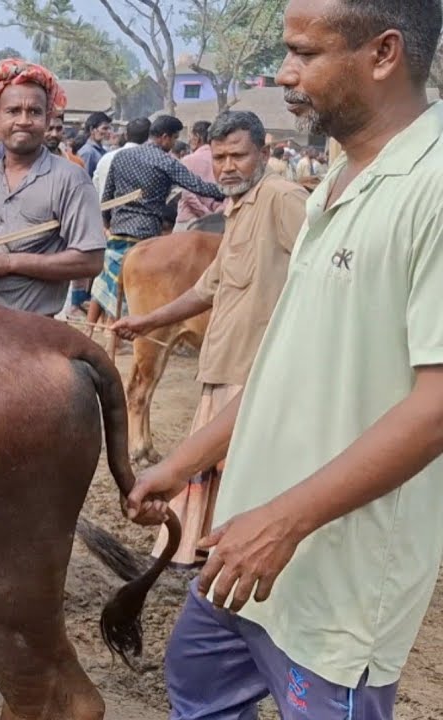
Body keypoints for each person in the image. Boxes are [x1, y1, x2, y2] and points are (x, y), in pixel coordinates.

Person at [125, 0, 443, 715]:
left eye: (304, 52)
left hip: (336, 583)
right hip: (243, 551)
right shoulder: (333, 184)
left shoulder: (433, 187)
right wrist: (181, 464)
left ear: (383, 53)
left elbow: (436, 408)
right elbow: (282, 368)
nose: (285, 72)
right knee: (195, 686)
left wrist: (284, 523)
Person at [112, 110, 308, 566]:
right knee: (210, 470)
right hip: (222, 362)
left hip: (256, 370)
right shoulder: (236, 207)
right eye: (219, 157)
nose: (226, 167)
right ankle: (198, 553)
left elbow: (316, 270)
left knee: (241, 474)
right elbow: (207, 288)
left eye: (238, 155)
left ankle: (233, 555)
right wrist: (147, 321)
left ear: (263, 152)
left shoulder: (282, 197)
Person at [0, 59, 105, 317]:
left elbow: (91, 260)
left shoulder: (71, 179)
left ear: (47, 118)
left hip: (31, 330)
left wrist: (10, 263)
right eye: (13, 111)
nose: (24, 120)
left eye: (35, 112)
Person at [91, 115, 225, 320]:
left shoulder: (121, 156)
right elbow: (197, 186)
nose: (172, 144)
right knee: (140, 292)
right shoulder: (165, 162)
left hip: (118, 230)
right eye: (173, 138)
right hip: (146, 235)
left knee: (106, 285)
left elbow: (108, 195)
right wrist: (229, 190)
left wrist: (107, 223)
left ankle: (95, 330)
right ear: (164, 137)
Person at [176, 120, 225, 229]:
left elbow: (187, 195)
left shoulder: (187, 160)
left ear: (197, 137)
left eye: (191, 136)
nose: (189, 140)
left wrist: (205, 213)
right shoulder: (224, 159)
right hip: (220, 219)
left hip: (189, 220)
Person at [92, 117, 149, 198]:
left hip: (105, 207)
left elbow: (96, 185)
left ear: (126, 135)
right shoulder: (149, 160)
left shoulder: (106, 158)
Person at [77, 111, 112, 177]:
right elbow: (84, 178)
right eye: (104, 128)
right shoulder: (87, 152)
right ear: (92, 129)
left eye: (109, 128)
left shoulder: (103, 151)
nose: (108, 132)